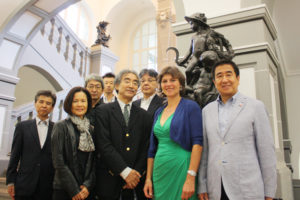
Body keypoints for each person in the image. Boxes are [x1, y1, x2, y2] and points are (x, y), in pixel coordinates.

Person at [198, 60, 277, 200]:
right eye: (219, 76)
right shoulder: (206, 111)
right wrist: (202, 185)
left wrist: (269, 192)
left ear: (238, 78)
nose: (224, 80)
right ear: (214, 81)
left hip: (247, 188)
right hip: (216, 188)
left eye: (229, 75)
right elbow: (205, 152)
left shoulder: (255, 107)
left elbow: (266, 152)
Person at [144, 66, 203, 200]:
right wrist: (148, 178)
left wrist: (191, 177)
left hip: (182, 167)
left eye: (173, 80)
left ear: (181, 85)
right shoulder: (159, 111)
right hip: (160, 170)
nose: (168, 84)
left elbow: (198, 144)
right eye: (164, 81)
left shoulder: (191, 107)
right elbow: (152, 149)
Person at [94, 70, 152, 200]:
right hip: (109, 180)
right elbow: (104, 145)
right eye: (127, 81)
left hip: (136, 183)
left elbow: (146, 147)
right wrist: (125, 172)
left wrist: (135, 174)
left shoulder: (145, 116)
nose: (132, 85)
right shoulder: (103, 111)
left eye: (135, 83)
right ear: (117, 85)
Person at [6, 90, 57, 200]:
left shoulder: (57, 129)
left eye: (48, 103)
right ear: (35, 103)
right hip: (24, 183)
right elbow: (15, 155)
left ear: (52, 107)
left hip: (47, 185)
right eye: (41, 102)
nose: (44, 105)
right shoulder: (22, 127)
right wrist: (10, 181)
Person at [51, 87, 95, 200]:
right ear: (69, 103)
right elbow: (58, 161)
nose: (79, 104)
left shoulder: (91, 129)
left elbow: (95, 161)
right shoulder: (61, 126)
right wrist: (74, 190)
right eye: (75, 101)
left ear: (88, 103)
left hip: (86, 190)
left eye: (83, 101)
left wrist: (87, 186)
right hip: (64, 189)